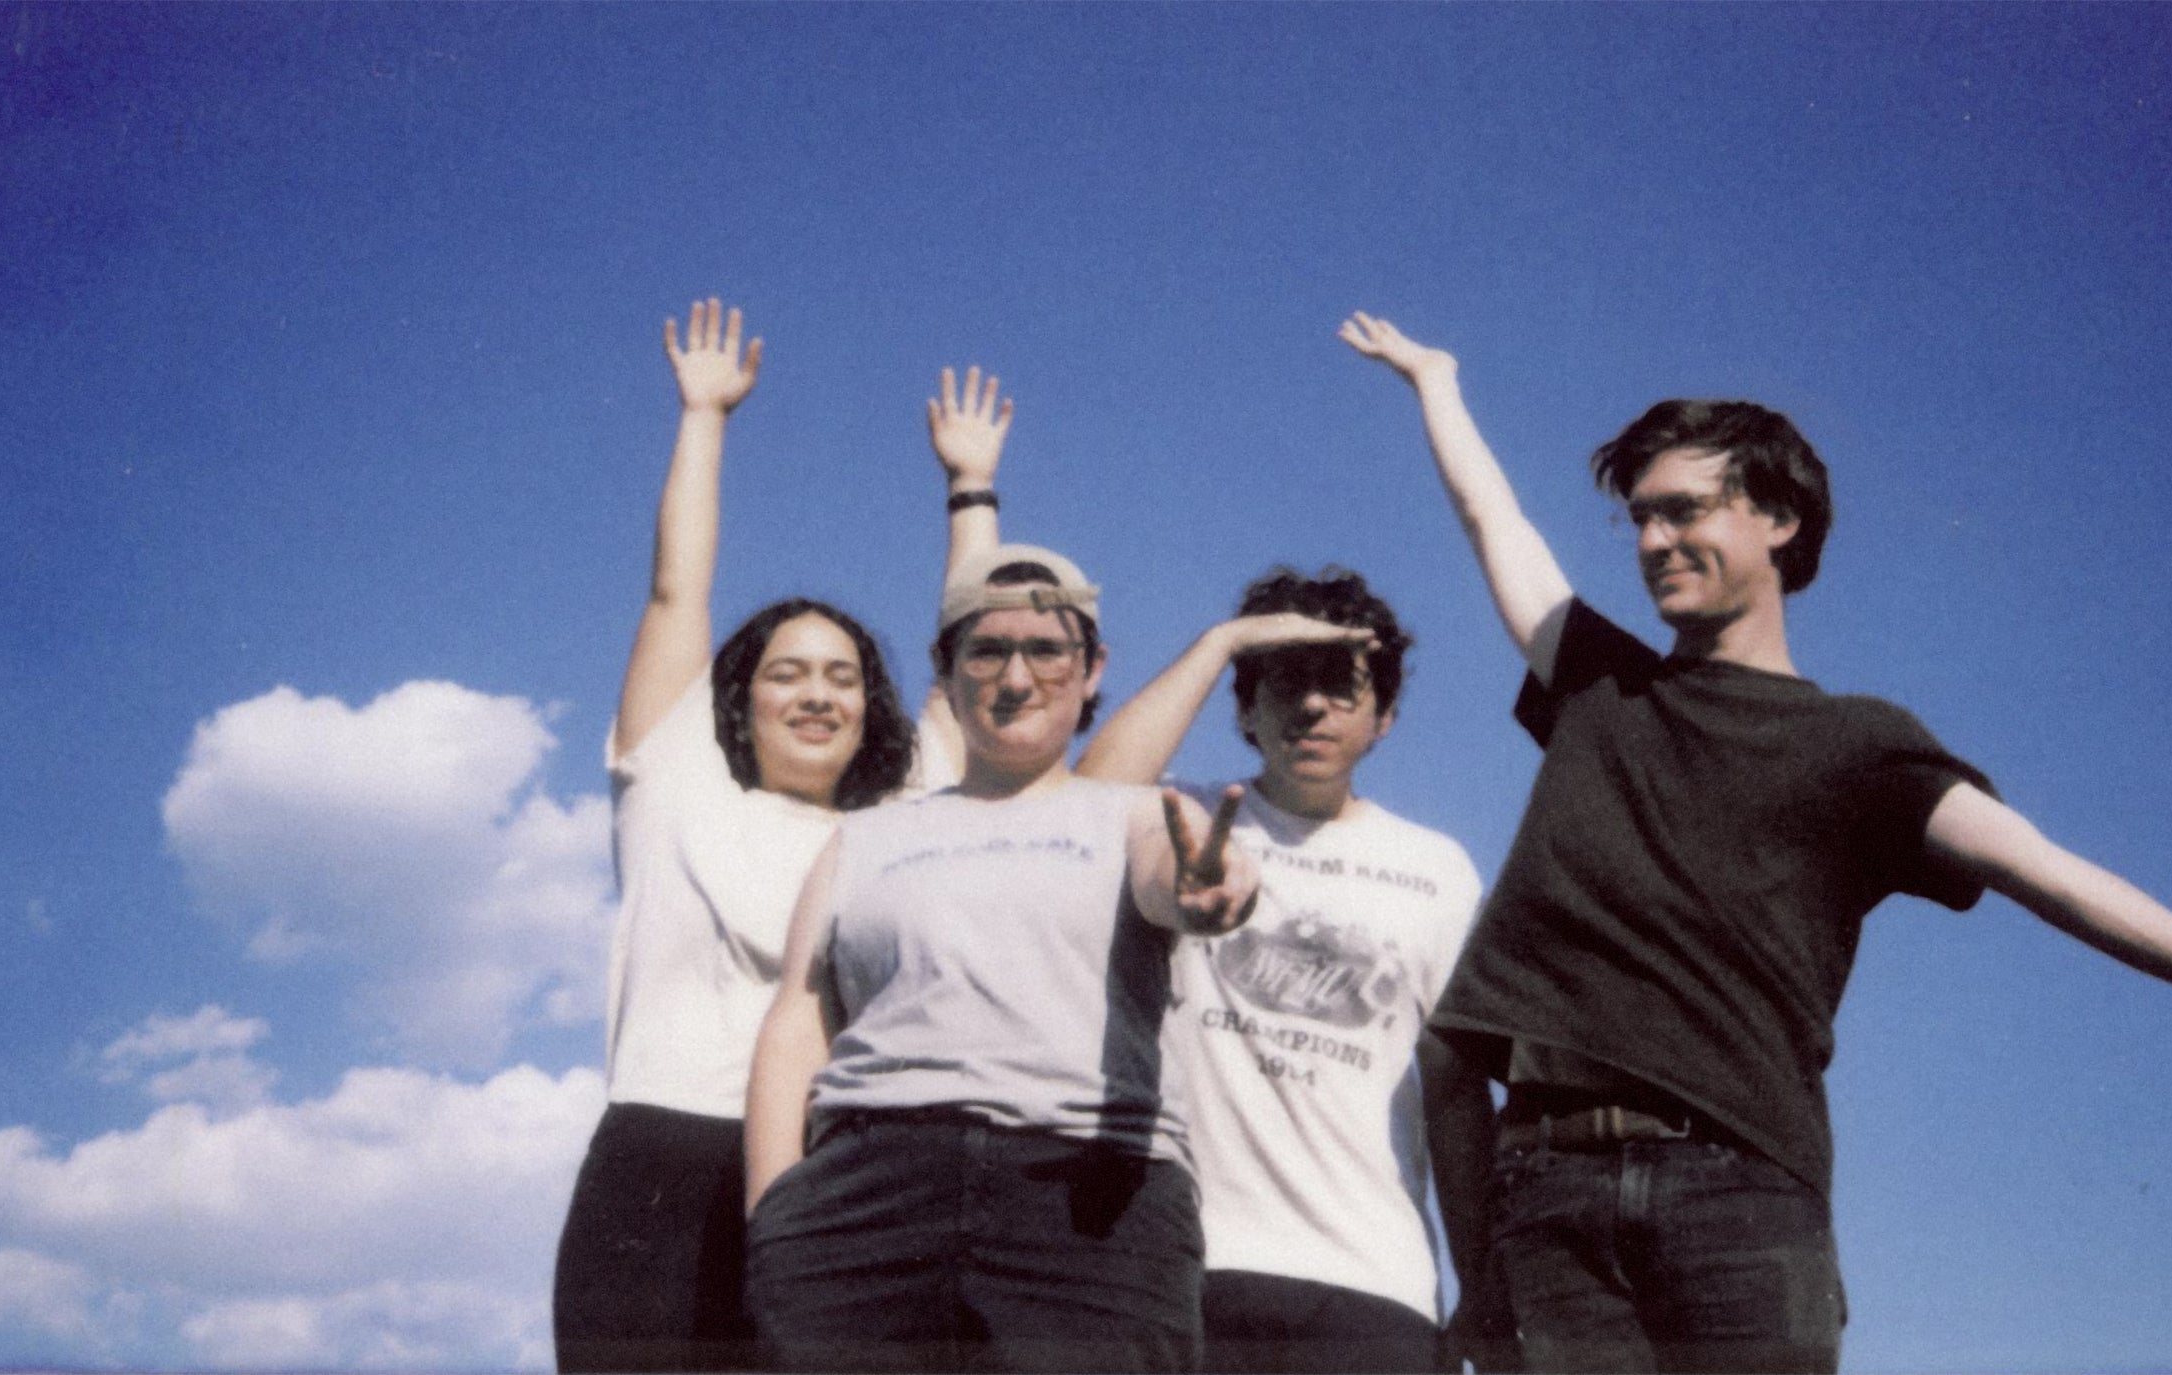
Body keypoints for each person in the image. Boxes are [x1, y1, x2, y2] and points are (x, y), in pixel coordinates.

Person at [1338, 311, 2172, 1374]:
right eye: (1638, 519)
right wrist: (1435, 382)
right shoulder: (1598, 685)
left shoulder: (1857, 744)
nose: (1651, 542)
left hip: (1738, 1194)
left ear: (1777, 517)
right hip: (1547, 1198)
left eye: (1683, 510)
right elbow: (1491, 519)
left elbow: (2042, 870)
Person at [550, 299, 1014, 1372]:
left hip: (836, 1175)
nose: (817, 694)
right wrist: (703, 416)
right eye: (787, 673)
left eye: (843, 676)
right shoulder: (676, 784)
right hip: (662, 1160)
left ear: (870, 705)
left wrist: (971, 488)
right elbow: (676, 592)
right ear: (741, 697)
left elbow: (978, 648)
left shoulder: (903, 824)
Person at [743, 542, 1262, 1374]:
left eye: (1047, 650)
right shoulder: (863, 838)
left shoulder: (1135, 815)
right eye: (987, 650)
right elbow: (796, 1022)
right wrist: (773, 1218)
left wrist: (1209, 885)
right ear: (946, 671)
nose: (1017, 677)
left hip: (1090, 1200)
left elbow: (1177, 872)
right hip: (864, 1205)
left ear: (1092, 669)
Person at [1076, 566, 1483, 1373]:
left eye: (1342, 686)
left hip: (1374, 1279)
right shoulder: (1182, 819)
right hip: (1189, 1263)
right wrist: (1223, 640)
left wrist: (1482, 1280)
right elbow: (1080, 801)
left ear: (1385, 716)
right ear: (1245, 708)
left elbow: (1457, 1093)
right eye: (1287, 679)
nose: (1312, 705)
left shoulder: (1438, 870)